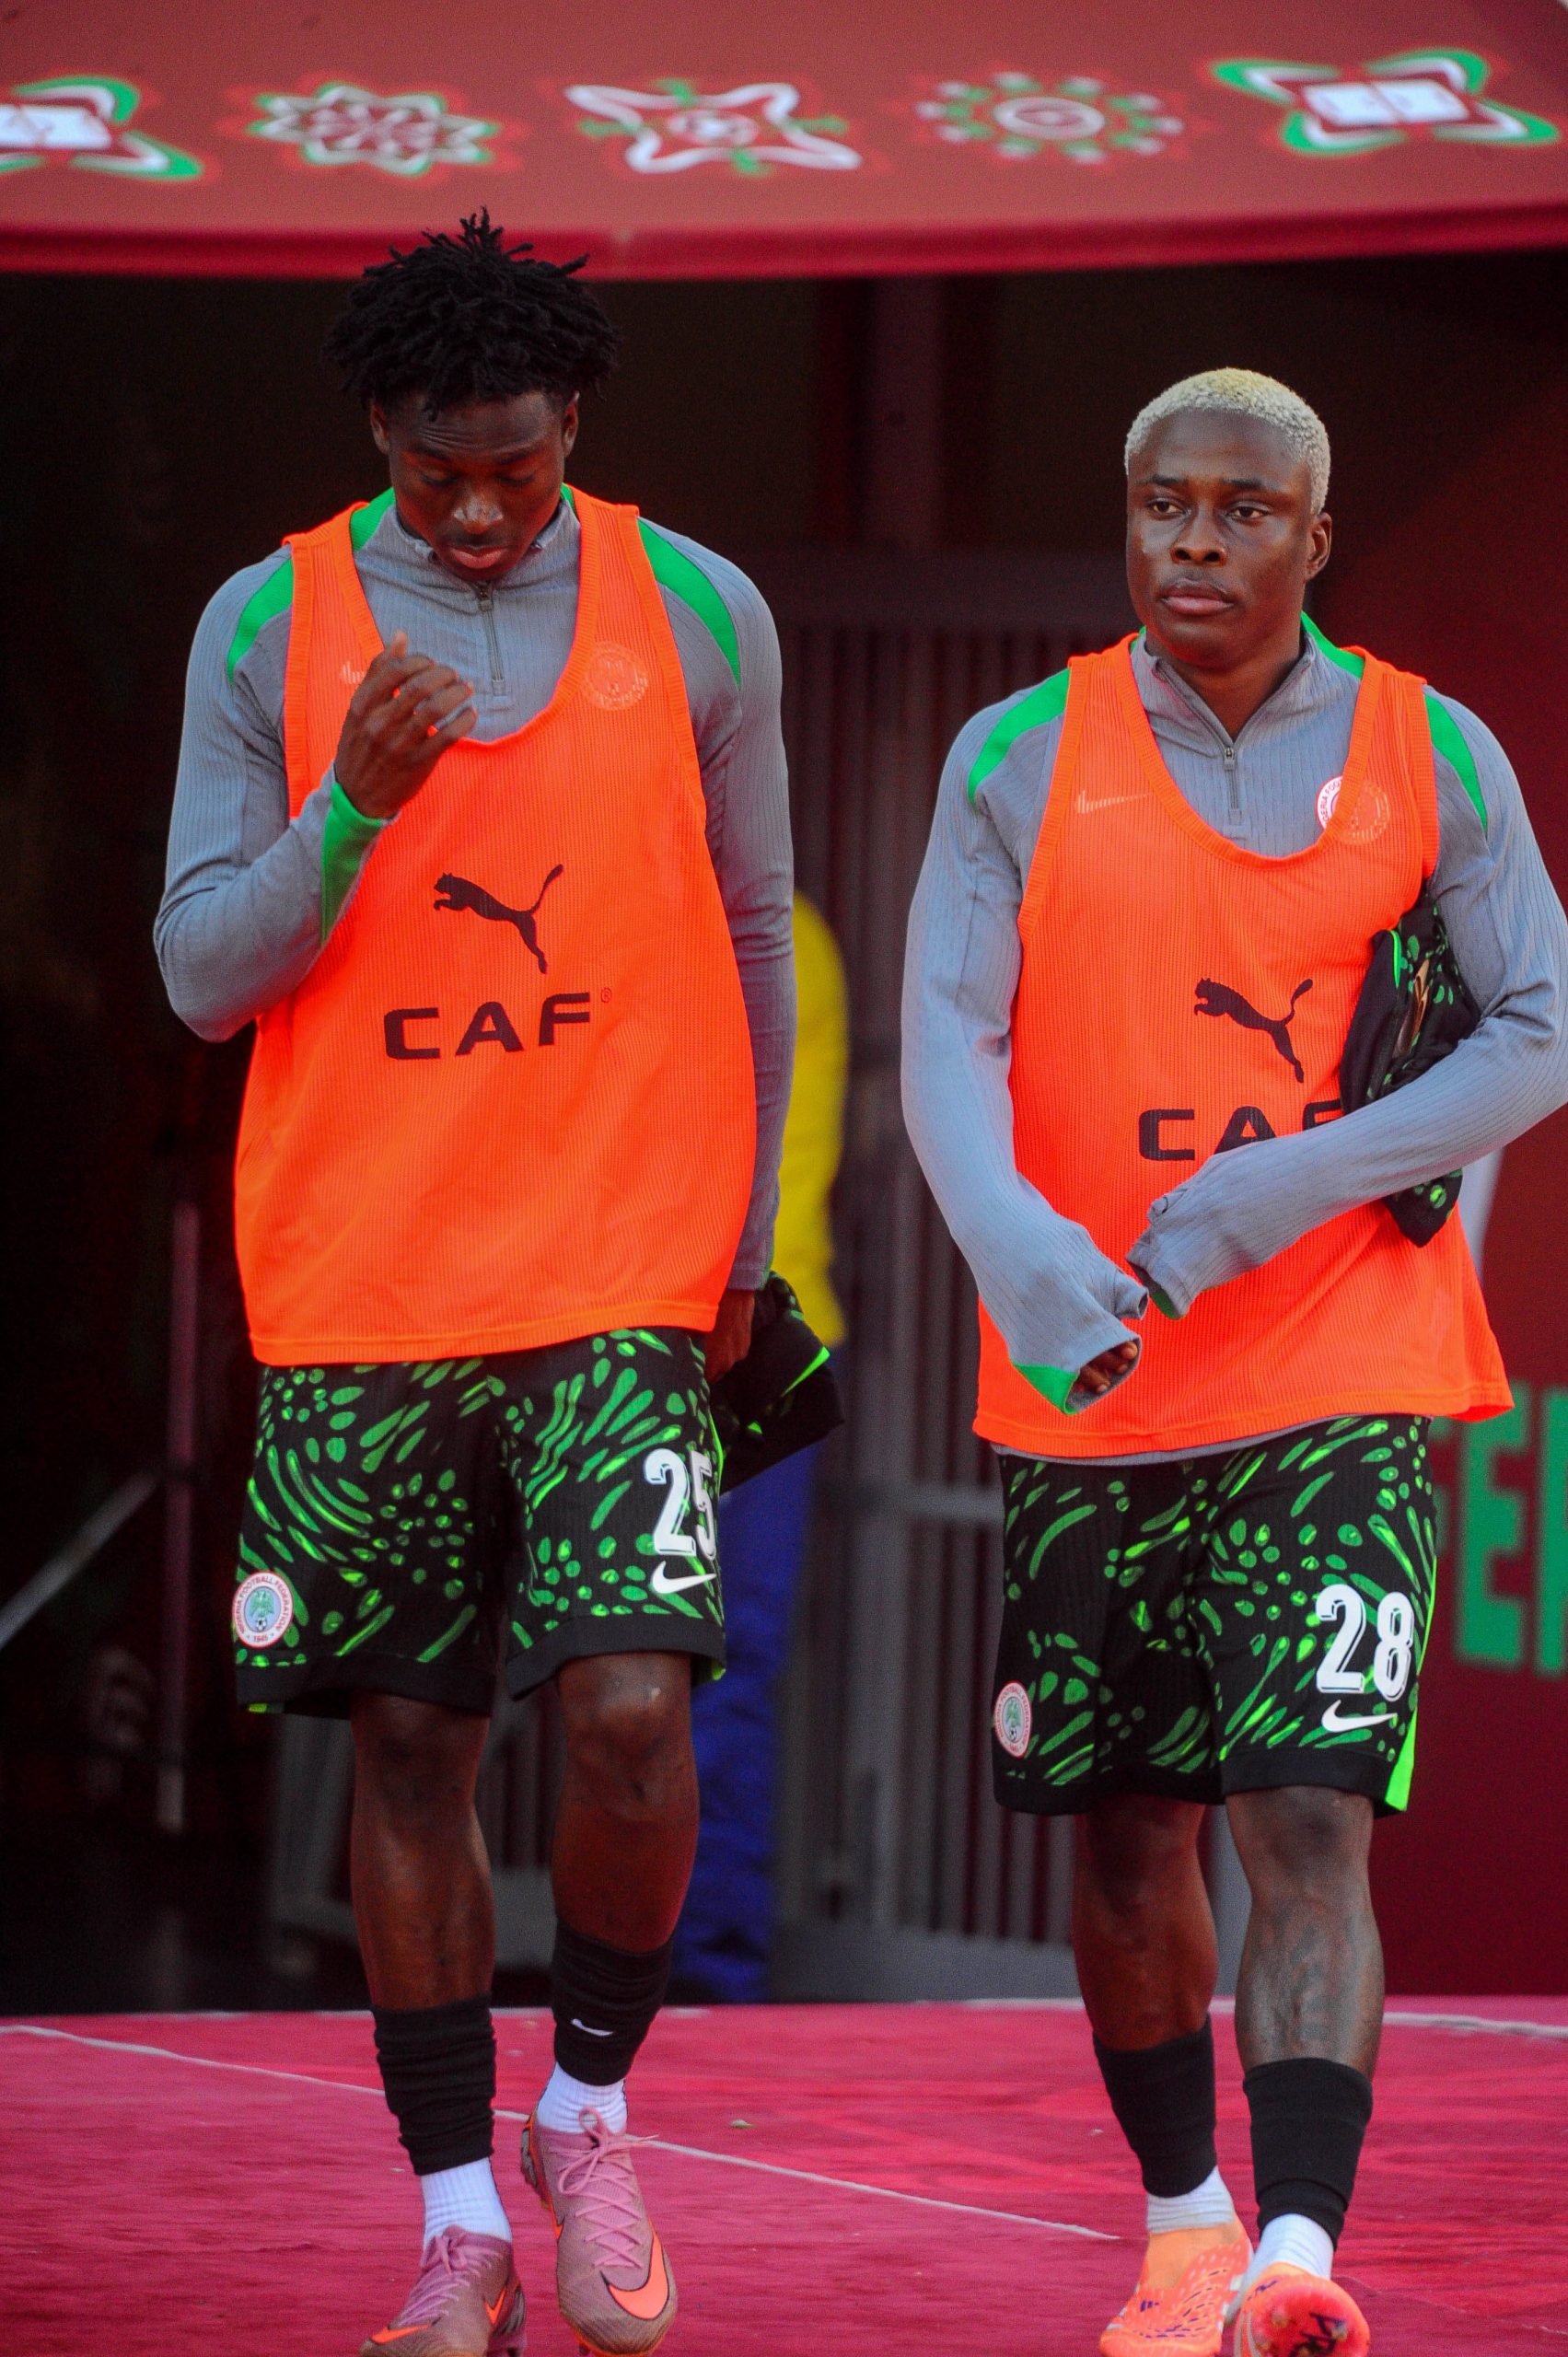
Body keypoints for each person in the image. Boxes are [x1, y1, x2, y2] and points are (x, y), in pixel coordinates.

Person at [157, 214, 793, 2357]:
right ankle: (455, 2222)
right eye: (441, 469)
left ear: (570, 420)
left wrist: (742, 1243)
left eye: (516, 461)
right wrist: (347, 809)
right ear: (381, 432)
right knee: (410, 1757)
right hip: (364, 1278)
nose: (482, 507)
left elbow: (759, 935)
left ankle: (588, 2108)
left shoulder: (701, 603)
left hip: (618, 1263)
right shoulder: (269, 617)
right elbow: (197, 975)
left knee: (627, 1708)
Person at [901, 368, 1568, 2357]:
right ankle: (1181, 2218)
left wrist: (1265, 1200)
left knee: (1302, 1814)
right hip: (1092, 1377)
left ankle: (1291, 2247)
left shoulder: (1428, 750)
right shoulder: (1015, 751)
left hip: (1341, 1358)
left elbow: (1530, 1033)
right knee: (1124, 1829)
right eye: (1160, 507)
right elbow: (941, 1042)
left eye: (1237, 511)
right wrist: (1028, 1261)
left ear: (1310, 536)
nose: (1193, 543)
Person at [675, 890, 848, 2000]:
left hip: (734, 1343)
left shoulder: (757, 929)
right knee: (699, 1671)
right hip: (717, 1335)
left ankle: (694, 1974)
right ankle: (685, 1968)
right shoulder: (785, 928)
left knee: (703, 1671)